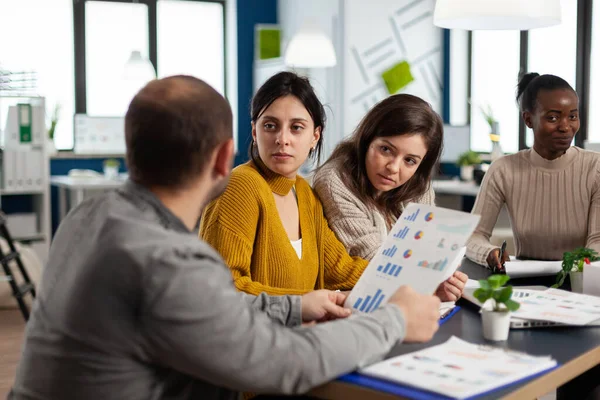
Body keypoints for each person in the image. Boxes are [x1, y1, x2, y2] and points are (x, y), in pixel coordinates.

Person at [9, 76, 442, 400]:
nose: (283, 140)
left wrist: (296, 304)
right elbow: (280, 362)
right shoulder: (166, 260)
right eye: (271, 125)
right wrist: (396, 320)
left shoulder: (88, 215)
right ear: (226, 154)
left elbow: (217, 304)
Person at [199, 71, 369, 295]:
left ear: (315, 136)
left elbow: (340, 269)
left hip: (296, 330)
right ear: (254, 131)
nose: (282, 139)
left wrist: (409, 281)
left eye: (296, 127)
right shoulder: (240, 185)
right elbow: (222, 288)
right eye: (270, 126)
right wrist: (305, 304)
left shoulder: (305, 194)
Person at [313, 94, 467, 302]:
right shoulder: (334, 180)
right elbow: (377, 261)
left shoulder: (418, 183)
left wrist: (442, 281)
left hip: (396, 301)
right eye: (386, 149)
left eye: (410, 160)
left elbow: (428, 252)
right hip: (351, 302)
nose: (393, 168)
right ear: (368, 139)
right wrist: (428, 281)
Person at [466, 73, 600, 270]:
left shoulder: (595, 168)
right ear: (528, 119)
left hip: (580, 280)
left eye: (572, 116)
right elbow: (474, 234)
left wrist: (579, 270)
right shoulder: (503, 170)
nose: (565, 127)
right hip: (523, 282)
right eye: (553, 117)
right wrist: (488, 252)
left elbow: (597, 239)